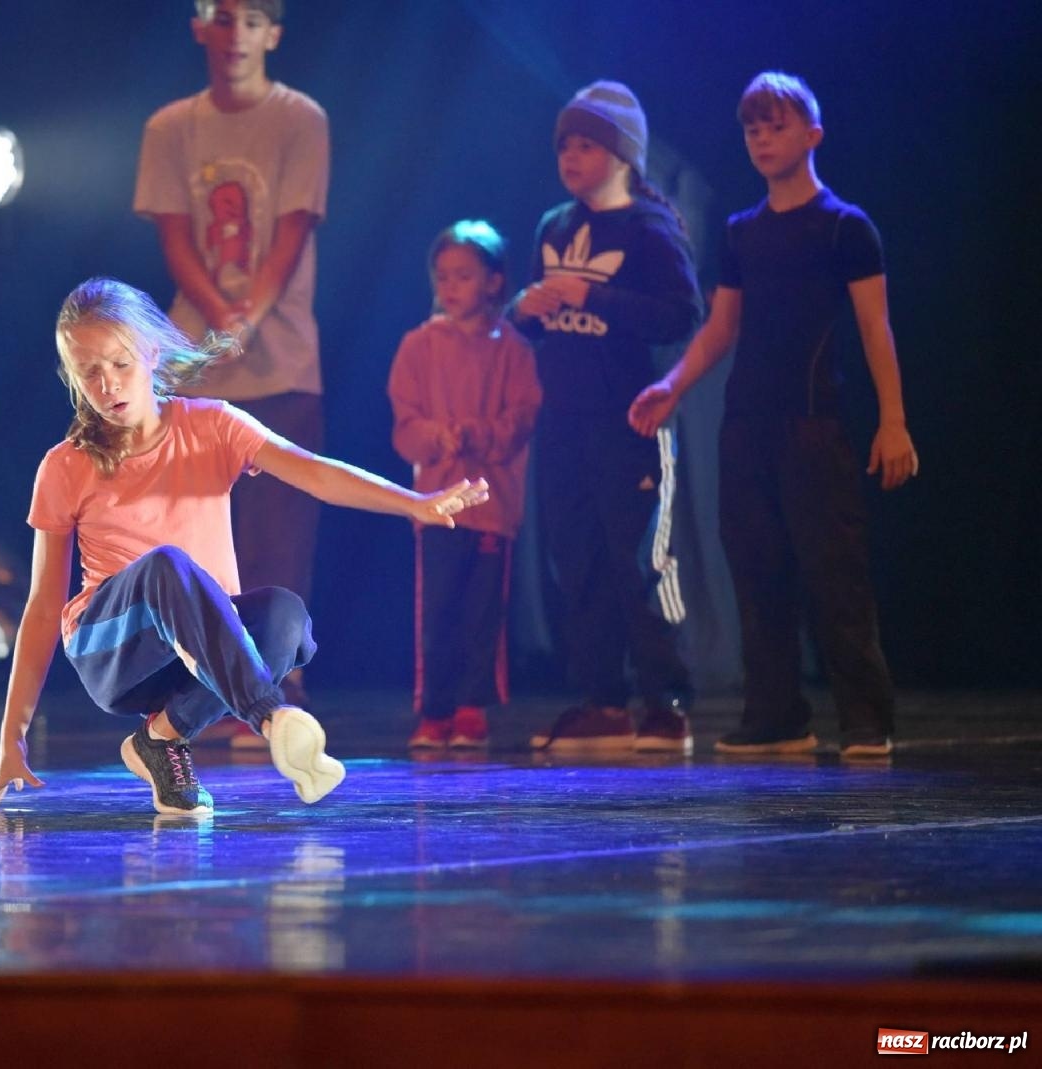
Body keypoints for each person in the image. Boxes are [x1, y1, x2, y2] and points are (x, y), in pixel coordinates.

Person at [0, 278, 489, 815]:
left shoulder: (212, 425)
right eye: (89, 373)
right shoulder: (65, 464)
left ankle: (162, 740)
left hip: (200, 647)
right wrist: (13, 733)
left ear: (150, 352)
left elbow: (315, 474)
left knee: (285, 618)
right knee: (166, 565)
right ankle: (269, 714)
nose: (107, 385)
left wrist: (414, 502)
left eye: (119, 364)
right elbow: (42, 604)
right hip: (114, 652)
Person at [628, 72, 917, 758]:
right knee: (756, 569)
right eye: (752, 128)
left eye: (776, 125)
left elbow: (877, 329)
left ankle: (866, 718)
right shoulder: (741, 233)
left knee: (833, 570)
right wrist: (672, 384)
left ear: (812, 135)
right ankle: (777, 715)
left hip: (813, 424)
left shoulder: (846, 227)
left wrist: (894, 419)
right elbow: (722, 326)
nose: (761, 138)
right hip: (746, 425)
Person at [133, 0, 328, 731]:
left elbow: (294, 227)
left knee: (280, 534)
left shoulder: (300, 118)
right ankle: (194, 682)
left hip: (282, 361)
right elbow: (176, 236)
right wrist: (218, 316)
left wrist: (248, 318)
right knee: (191, 535)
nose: (237, 32)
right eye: (223, 15)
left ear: (273, 33)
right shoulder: (170, 127)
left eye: (253, 18)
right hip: (195, 364)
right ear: (199, 26)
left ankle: (277, 683)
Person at [509, 81, 701, 754]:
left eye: (586, 143)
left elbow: (682, 315)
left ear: (622, 154)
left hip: (631, 421)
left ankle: (667, 702)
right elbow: (530, 321)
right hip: (564, 422)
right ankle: (603, 699)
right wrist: (525, 311)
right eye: (564, 143)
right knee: (577, 560)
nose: (570, 155)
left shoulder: (650, 228)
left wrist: (599, 296)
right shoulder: (554, 227)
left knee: (642, 558)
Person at [388, 221, 542, 749]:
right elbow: (404, 428)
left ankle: (473, 707)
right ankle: (434, 711)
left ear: (494, 282)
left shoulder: (514, 349)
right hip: (437, 506)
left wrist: (476, 433)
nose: (451, 287)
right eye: (444, 276)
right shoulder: (418, 345)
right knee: (438, 612)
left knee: (482, 615)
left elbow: (521, 420)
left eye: (464, 276)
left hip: (492, 507)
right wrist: (437, 436)